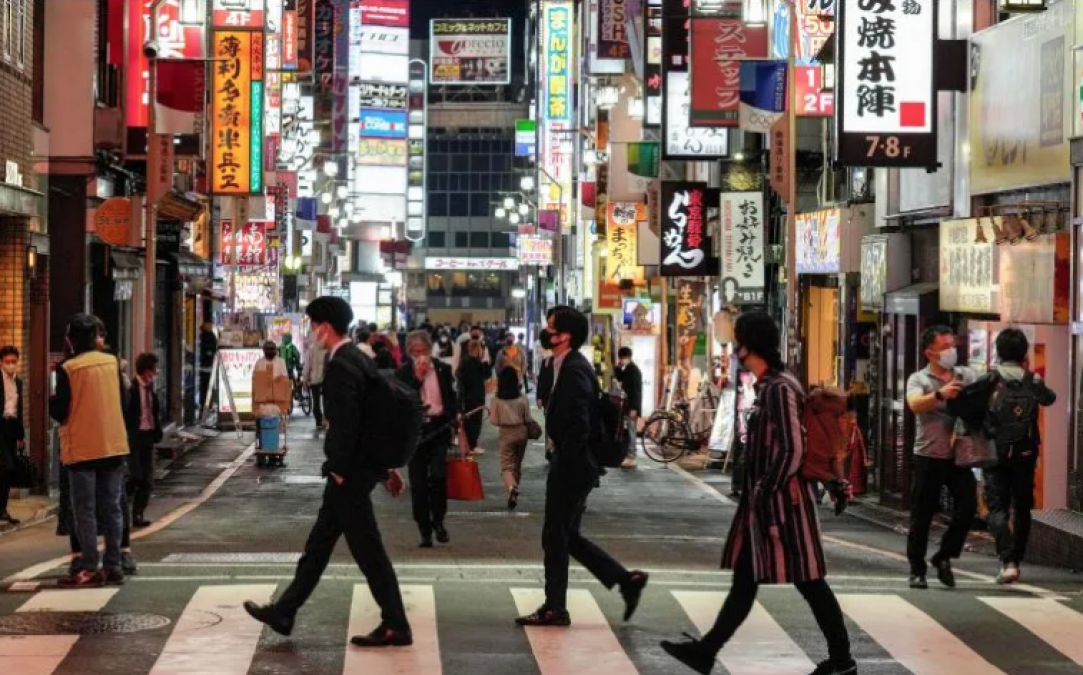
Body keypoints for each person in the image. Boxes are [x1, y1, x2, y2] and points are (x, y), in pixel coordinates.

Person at [661, 311, 855, 675]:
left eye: (737, 339)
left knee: (809, 581)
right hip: (772, 504)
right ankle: (706, 650)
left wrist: (767, 489)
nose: (734, 347)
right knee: (753, 580)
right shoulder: (773, 384)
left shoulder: (780, 388)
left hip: (783, 506)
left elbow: (793, 448)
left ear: (748, 344)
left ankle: (842, 660)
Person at [245, 296, 412, 647]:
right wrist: (383, 470)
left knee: (368, 550)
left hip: (348, 474)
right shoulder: (359, 359)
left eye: (311, 325)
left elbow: (347, 424)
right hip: (358, 469)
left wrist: (338, 469)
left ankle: (396, 623)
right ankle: (285, 611)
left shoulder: (340, 365)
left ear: (324, 326)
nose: (310, 332)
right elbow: (371, 421)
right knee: (319, 544)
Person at [516, 305, 648, 627]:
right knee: (567, 536)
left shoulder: (575, 369)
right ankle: (625, 580)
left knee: (555, 536)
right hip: (574, 464)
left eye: (551, 327)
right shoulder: (563, 364)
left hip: (572, 466)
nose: (546, 332)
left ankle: (555, 608)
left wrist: (567, 461)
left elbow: (579, 423)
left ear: (566, 336)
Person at [951, 329, 1055, 584]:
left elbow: (960, 404)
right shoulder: (1033, 380)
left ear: (998, 351)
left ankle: (1006, 560)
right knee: (1022, 507)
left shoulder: (990, 378)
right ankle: (1016, 560)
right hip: (1025, 452)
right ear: (1024, 353)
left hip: (994, 452)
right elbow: (1050, 399)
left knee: (997, 506)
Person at [51, 314, 130, 587]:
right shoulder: (111, 362)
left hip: (82, 447)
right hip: (113, 443)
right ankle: (114, 564)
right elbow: (125, 400)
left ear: (70, 339)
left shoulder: (67, 368)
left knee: (84, 510)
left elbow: (59, 410)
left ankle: (89, 566)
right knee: (112, 508)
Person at [903, 325, 978, 590]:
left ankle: (944, 555)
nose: (951, 351)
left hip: (959, 457)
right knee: (921, 515)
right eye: (944, 346)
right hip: (929, 455)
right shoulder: (919, 379)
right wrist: (940, 395)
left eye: (953, 345)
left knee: (968, 507)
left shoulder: (965, 374)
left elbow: (984, 396)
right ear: (929, 352)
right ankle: (917, 570)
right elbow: (914, 404)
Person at [397, 330, 458, 547]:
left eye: (423, 351)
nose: (420, 356)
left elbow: (452, 398)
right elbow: (402, 402)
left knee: (439, 477)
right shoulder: (404, 373)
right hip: (416, 434)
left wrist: (454, 420)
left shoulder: (443, 369)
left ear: (430, 349)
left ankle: (439, 521)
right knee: (419, 483)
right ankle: (424, 528)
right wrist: (417, 379)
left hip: (439, 429)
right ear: (409, 353)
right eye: (415, 352)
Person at [124, 353, 163, 529]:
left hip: (148, 436)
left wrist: (157, 430)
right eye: (154, 369)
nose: (155, 373)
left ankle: (138, 513)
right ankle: (121, 498)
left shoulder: (151, 388)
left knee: (147, 478)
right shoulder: (131, 389)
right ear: (146, 370)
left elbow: (155, 412)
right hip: (134, 436)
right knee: (136, 475)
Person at [490, 367, 535, 510]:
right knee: (517, 464)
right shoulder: (523, 398)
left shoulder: (496, 400)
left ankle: (512, 488)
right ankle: (514, 489)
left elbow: (494, 421)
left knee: (506, 466)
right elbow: (528, 418)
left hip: (506, 433)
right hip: (522, 433)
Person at [0, 346, 25, 525]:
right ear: (1, 362)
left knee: (8, 471)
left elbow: (19, 410)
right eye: (7, 362)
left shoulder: (19, 382)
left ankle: (2, 509)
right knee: (6, 467)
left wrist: (21, 436)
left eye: (13, 362)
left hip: (11, 428)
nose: (11, 365)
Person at [457, 338, 490, 455]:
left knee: (467, 422)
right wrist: (485, 361)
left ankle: (467, 445)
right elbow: (487, 374)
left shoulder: (463, 362)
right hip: (476, 397)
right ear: (477, 350)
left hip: (465, 396)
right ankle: (472, 445)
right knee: (475, 422)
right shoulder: (478, 363)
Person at [613, 346, 643, 469]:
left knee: (631, 432)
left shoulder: (633, 370)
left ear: (627, 357)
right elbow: (620, 376)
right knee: (628, 431)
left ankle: (631, 457)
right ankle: (629, 456)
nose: (621, 360)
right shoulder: (629, 369)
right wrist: (617, 366)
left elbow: (636, 391)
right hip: (629, 406)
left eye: (622, 358)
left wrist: (634, 408)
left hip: (632, 407)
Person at [303, 336, 329, 429]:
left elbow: (307, 366)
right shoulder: (328, 348)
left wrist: (305, 379)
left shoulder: (311, 348)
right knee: (327, 400)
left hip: (315, 379)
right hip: (327, 379)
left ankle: (318, 421)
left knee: (316, 401)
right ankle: (326, 420)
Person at [199, 320, 218, 412]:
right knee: (208, 387)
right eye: (209, 325)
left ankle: (205, 405)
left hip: (204, 366)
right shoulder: (209, 336)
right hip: (208, 366)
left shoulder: (203, 336)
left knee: (205, 387)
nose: (210, 326)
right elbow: (213, 349)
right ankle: (207, 405)